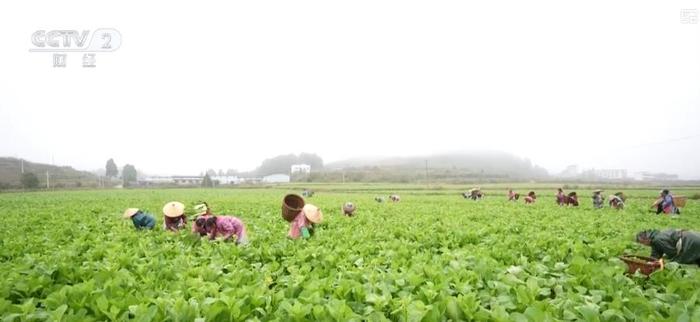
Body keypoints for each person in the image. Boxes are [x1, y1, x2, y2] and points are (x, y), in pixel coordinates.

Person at [636, 229, 700, 266]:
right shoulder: (654, 239)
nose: (644, 245)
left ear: (646, 239)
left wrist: (664, 261)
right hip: (692, 237)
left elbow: (672, 253)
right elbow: (655, 255)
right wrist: (650, 262)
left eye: (642, 243)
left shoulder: (658, 239)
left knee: (679, 262)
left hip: (690, 241)